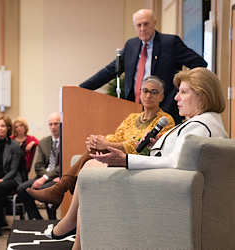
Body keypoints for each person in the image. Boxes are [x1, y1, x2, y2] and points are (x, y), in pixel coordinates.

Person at [45, 67, 228, 250]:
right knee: (92, 164)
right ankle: (74, 235)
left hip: (163, 188)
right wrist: (155, 144)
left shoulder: (199, 126)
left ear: (202, 96)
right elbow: (178, 157)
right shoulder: (204, 122)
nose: (176, 97)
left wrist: (126, 160)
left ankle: (70, 226)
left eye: (183, 92)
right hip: (165, 183)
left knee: (92, 168)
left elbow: (174, 164)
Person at [27, 76, 175, 209]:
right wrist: (99, 140)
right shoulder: (132, 117)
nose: (148, 95)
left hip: (137, 162)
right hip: (119, 156)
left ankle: (59, 189)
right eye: (145, 91)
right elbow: (117, 136)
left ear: (161, 96)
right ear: (140, 93)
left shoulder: (165, 120)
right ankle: (61, 190)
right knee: (94, 150)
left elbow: (139, 146)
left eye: (153, 92)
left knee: (93, 153)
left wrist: (106, 145)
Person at [79, 9, 207, 124]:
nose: (142, 28)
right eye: (138, 25)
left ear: (154, 23)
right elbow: (110, 71)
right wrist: (82, 88)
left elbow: (199, 64)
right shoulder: (131, 45)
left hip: (165, 110)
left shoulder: (170, 43)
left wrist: (179, 88)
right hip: (134, 109)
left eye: (146, 24)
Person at [17, 113, 62, 220]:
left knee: (46, 189)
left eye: (56, 124)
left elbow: (61, 166)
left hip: (57, 178)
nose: (53, 127)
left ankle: (52, 220)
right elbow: (38, 165)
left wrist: (45, 178)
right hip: (44, 176)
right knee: (22, 189)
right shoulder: (44, 142)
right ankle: (37, 218)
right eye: (50, 124)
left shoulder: (67, 141)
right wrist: (45, 177)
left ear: (61, 124)